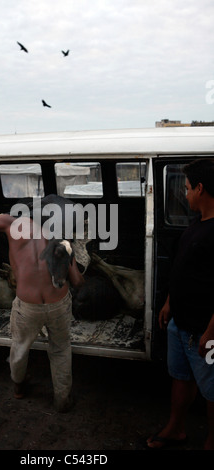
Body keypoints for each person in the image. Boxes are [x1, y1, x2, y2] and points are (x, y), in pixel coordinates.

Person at [0, 212, 84, 412]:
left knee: (20, 346)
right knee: (60, 349)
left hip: (27, 304)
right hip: (58, 303)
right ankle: (62, 400)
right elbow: (77, 282)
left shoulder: (13, 224)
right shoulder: (61, 238)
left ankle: (18, 386)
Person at [147, 159, 214, 450]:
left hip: (205, 331)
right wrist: (169, 303)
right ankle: (176, 429)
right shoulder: (197, 224)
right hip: (181, 323)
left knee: (212, 389)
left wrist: (211, 332)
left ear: (200, 189)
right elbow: (184, 268)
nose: (185, 195)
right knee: (181, 377)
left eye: (187, 189)